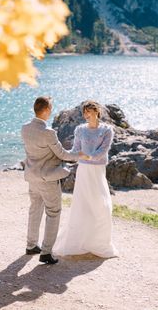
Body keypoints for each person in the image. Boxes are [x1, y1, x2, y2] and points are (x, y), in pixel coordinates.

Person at [21, 96, 89, 264]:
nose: (51, 111)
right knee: (53, 212)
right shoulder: (48, 133)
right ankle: (46, 252)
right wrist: (79, 155)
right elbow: (62, 155)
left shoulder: (25, 128)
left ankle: (31, 245)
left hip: (32, 176)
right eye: (50, 108)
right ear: (45, 110)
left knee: (34, 209)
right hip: (47, 178)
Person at [54, 100, 118, 258]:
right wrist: (61, 154)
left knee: (102, 206)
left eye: (89, 111)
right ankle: (79, 243)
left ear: (97, 111)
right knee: (82, 205)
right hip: (83, 171)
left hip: (97, 171)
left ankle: (99, 243)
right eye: (84, 113)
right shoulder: (80, 130)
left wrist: (87, 156)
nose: (86, 115)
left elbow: (103, 151)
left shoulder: (107, 130)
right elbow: (75, 150)